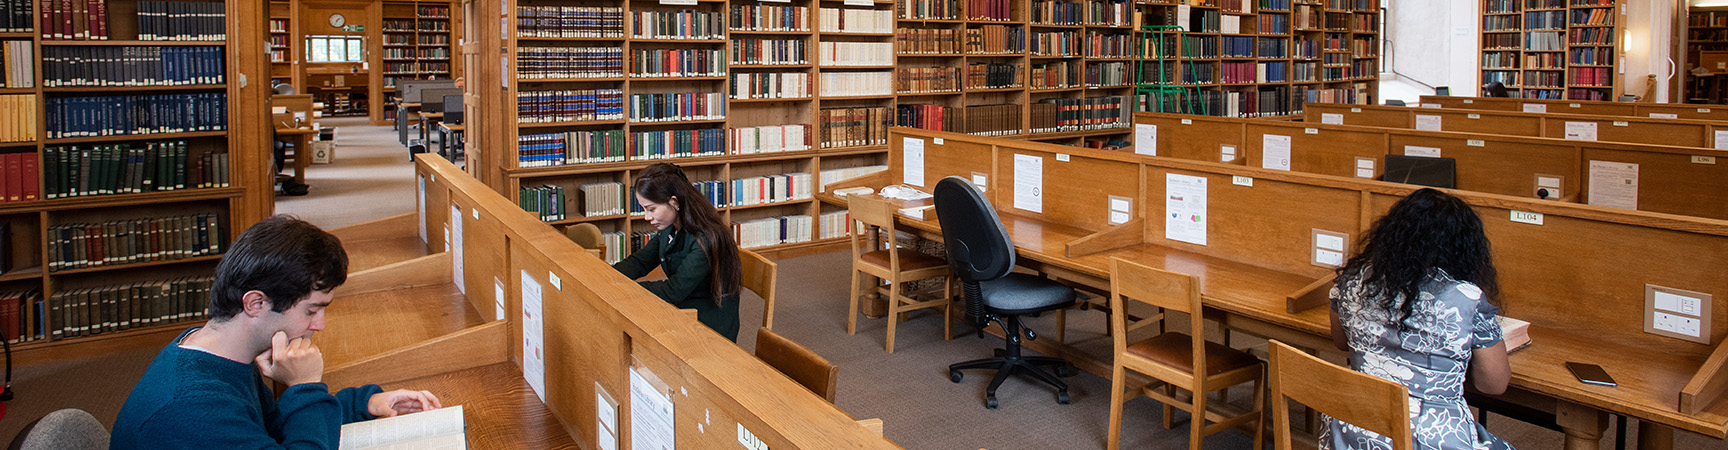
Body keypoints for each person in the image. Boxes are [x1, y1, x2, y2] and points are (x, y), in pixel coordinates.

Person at [111, 215, 443, 449]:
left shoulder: (222, 353)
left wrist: (364, 404)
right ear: (255, 303)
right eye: (311, 310)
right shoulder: (190, 406)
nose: (319, 325)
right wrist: (305, 386)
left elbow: (271, 427)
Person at [1327, 188, 1513, 450]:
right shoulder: (1466, 299)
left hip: (1353, 433)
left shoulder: (1353, 280)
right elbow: (1493, 384)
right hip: (1429, 439)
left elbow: (1340, 342)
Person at [613, 163, 744, 341]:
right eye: (644, 209)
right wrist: (608, 276)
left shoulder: (705, 239)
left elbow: (674, 290)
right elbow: (640, 261)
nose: (646, 217)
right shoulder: (670, 227)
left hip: (709, 323)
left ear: (674, 202)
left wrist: (625, 290)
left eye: (651, 209)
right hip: (686, 307)